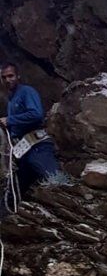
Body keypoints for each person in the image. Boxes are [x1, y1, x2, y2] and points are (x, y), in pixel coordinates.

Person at [0, 63, 60, 201]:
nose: (8, 80)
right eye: (4, 77)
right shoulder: (11, 100)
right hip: (24, 153)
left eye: (11, 76)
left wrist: (10, 120)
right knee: (12, 192)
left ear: (18, 76)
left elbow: (36, 114)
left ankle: (75, 199)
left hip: (37, 146)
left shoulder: (26, 91)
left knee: (54, 178)